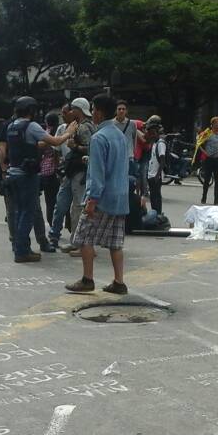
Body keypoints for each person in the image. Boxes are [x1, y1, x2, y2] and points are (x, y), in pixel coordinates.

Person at [65, 94, 130, 295]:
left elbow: (97, 173)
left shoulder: (98, 137)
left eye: (93, 109)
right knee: (115, 241)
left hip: (101, 197)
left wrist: (92, 199)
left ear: (99, 112)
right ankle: (119, 282)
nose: (92, 113)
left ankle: (87, 279)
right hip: (120, 195)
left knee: (84, 236)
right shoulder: (120, 135)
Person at [6, 96, 74, 263]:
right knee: (27, 213)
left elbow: (32, 145)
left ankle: (20, 247)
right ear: (31, 110)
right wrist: (69, 132)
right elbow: (56, 141)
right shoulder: (32, 126)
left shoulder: (12, 126)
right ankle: (22, 252)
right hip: (27, 176)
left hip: (13, 174)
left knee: (19, 212)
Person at [50, 98, 94, 251]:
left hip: (79, 172)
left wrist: (75, 146)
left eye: (73, 109)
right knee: (62, 205)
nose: (69, 112)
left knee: (77, 208)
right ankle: (57, 236)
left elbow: (91, 149)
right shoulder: (75, 126)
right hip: (71, 172)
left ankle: (77, 242)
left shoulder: (84, 128)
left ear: (78, 110)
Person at [198, 116, 218, 205]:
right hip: (209, 159)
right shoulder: (207, 134)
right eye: (217, 123)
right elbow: (199, 144)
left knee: (217, 180)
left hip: (217, 159)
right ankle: (204, 197)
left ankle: (216, 199)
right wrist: (205, 152)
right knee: (207, 179)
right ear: (212, 124)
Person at [40, 112, 62, 227]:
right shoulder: (61, 132)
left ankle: (52, 223)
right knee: (60, 200)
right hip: (60, 171)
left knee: (50, 201)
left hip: (47, 170)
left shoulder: (45, 134)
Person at [145, 117, 166, 214]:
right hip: (151, 174)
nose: (151, 135)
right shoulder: (154, 143)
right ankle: (154, 213)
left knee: (157, 196)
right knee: (153, 197)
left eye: (153, 133)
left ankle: (158, 214)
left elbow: (162, 161)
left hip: (156, 176)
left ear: (157, 132)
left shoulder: (161, 144)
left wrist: (157, 175)